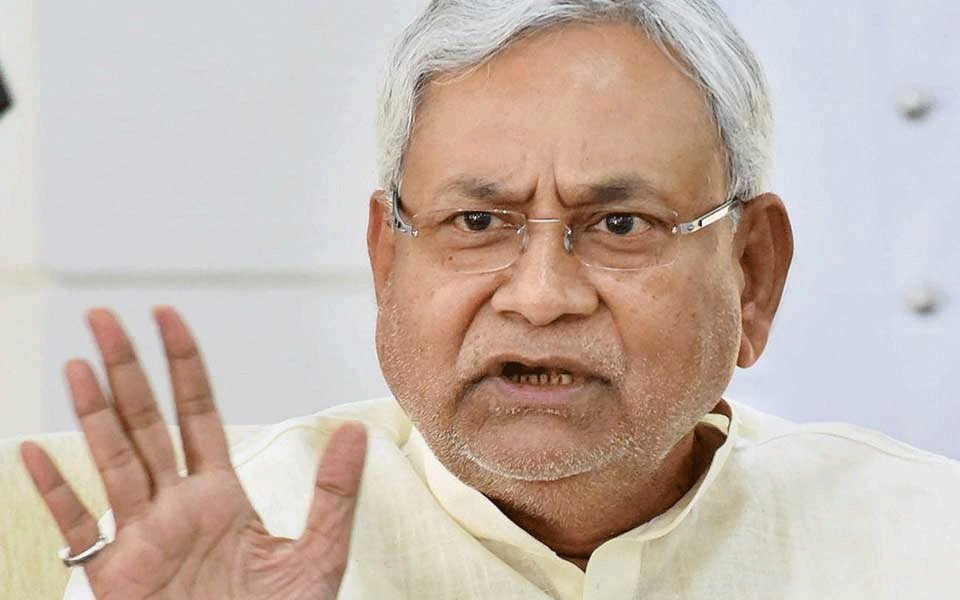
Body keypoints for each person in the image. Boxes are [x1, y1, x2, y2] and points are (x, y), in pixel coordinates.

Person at [19, 0, 960, 598]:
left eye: (620, 224)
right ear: (387, 262)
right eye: (477, 222)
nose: (542, 297)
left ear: (751, 276)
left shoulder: (922, 545)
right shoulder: (223, 549)